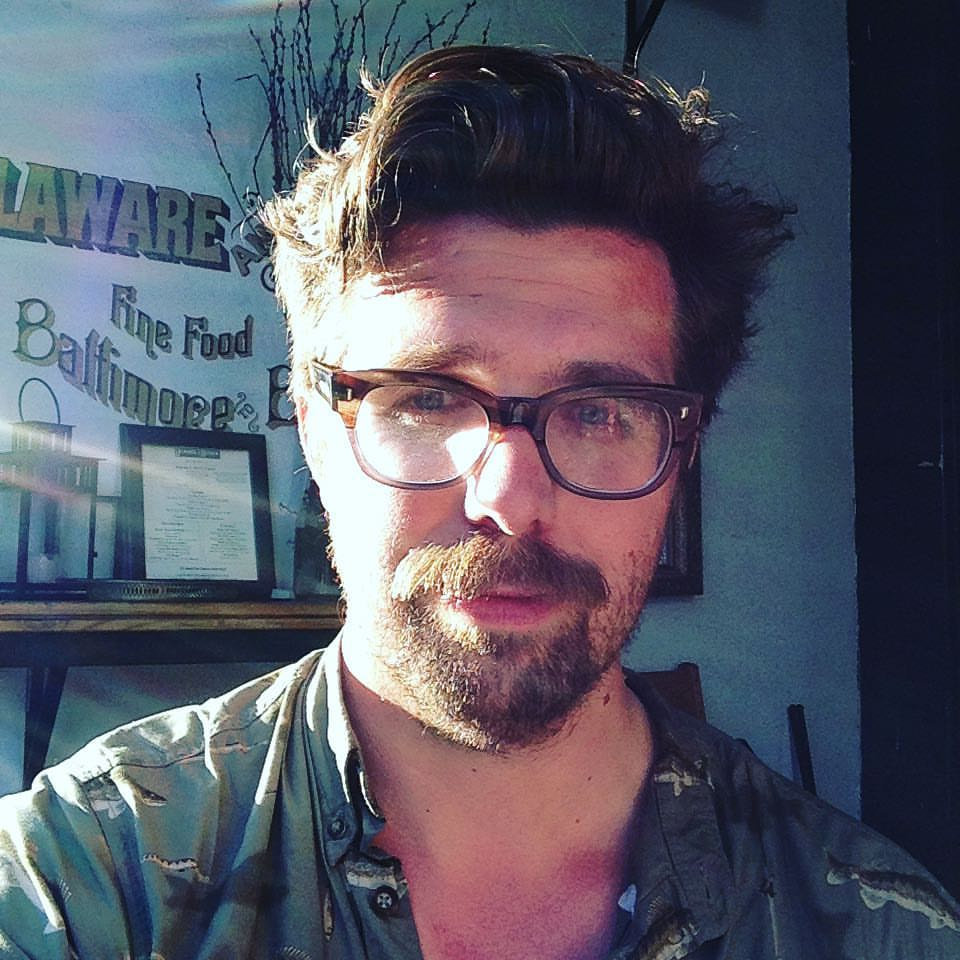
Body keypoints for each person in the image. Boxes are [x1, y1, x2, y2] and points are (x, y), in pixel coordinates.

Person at [1, 44, 958, 960]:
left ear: (682, 452)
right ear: (314, 431)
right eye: (426, 400)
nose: (508, 499)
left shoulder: (873, 928)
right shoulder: (80, 884)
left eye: (601, 411)